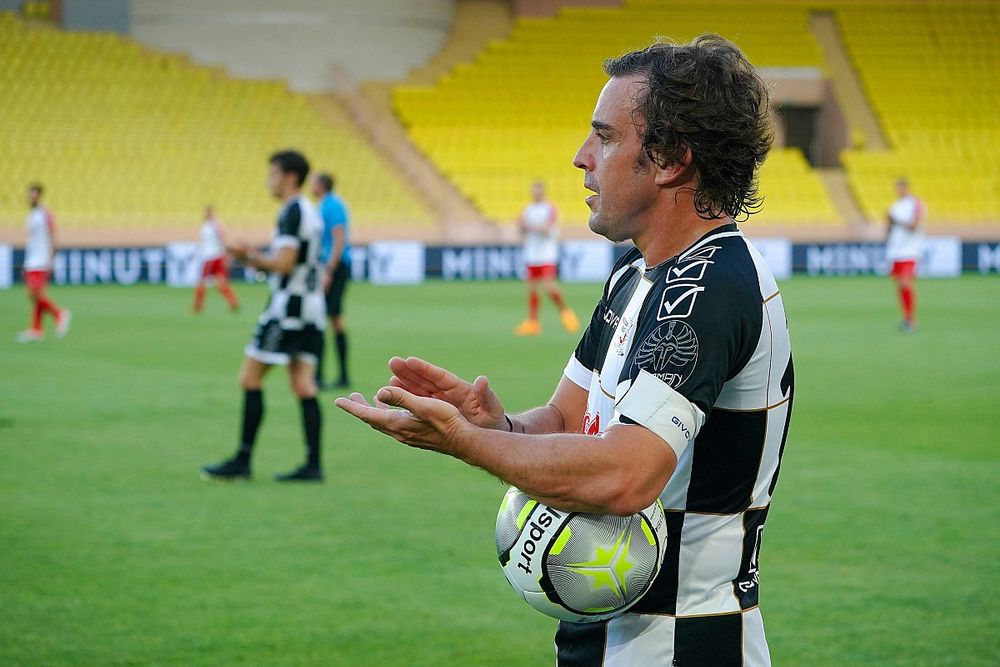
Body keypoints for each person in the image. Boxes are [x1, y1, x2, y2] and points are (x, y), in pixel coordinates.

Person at [336, 36, 792, 665]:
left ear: (670, 160)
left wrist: (465, 443)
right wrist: (495, 425)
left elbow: (626, 474)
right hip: (603, 641)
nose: (581, 158)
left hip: (682, 645)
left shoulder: (712, 285)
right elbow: (565, 421)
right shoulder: (635, 274)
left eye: (604, 137)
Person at [201, 150, 326, 482]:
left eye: (272, 174)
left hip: (288, 310)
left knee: (249, 378)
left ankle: (242, 461)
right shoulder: (309, 211)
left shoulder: (292, 211)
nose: (268, 181)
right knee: (303, 385)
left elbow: (284, 264)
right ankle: (313, 465)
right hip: (312, 309)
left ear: (289, 177)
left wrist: (248, 257)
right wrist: (256, 255)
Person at [514, 180, 579, 336]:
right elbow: (521, 229)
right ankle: (533, 322)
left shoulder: (550, 208)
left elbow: (546, 229)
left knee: (549, 286)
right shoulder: (528, 209)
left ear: (542, 192)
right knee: (533, 288)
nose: (535, 193)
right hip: (532, 253)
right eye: (533, 190)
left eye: (538, 190)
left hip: (546, 254)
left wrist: (527, 226)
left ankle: (566, 312)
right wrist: (522, 227)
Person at [311, 172, 352, 388]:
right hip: (328, 266)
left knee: (331, 318)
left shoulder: (333, 206)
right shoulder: (323, 205)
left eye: (313, 182)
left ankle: (337, 375)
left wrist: (329, 270)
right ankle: (322, 375)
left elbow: (338, 238)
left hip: (334, 267)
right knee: (328, 318)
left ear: (321, 185)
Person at [17, 183, 71, 343]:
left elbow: (53, 234)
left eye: (34, 194)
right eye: (29, 194)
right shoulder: (31, 215)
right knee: (35, 296)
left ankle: (59, 314)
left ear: (39, 195)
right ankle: (36, 329)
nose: (31, 196)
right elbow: (31, 240)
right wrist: (26, 262)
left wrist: (52, 257)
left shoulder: (44, 214)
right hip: (32, 260)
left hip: (42, 259)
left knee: (33, 293)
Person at [885, 177, 924, 332]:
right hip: (895, 252)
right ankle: (907, 317)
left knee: (906, 283)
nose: (898, 191)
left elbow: (914, 226)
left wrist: (896, 220)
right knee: (899, 287)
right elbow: (890, 230)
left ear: (907, 188)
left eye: (900, 188)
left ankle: (911, 320)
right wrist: (889, 223)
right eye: (897, 188)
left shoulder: (915, 203)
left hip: (909, 250)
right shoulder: (895, 206)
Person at [192, 205, 240, 313]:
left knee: (202, 281)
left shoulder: (213, 225)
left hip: (211, 257)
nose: (204, 214)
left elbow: (222, 237)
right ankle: (233, 302)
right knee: (221, 281)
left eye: (206, 212)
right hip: (215, 256)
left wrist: (225, 254)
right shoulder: (207, 225)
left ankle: (198, 305)